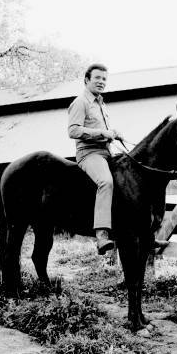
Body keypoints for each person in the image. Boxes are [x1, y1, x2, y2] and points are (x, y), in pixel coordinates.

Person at [68, 63, 123, 255]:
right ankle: (101, 236)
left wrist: (113, 133)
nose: (101, 82)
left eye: (104, 79)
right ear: (86, 80)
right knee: (106, 182)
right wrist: (102, 132)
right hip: (89, 154)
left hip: (107, 152)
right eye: (97, 78)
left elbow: (105, 132)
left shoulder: (102, 104)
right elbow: (73, 130)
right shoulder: (80, 102)